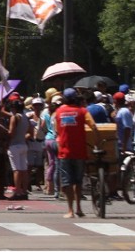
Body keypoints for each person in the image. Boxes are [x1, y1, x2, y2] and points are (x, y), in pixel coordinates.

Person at [53, 88, 96, 219]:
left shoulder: (58, 112)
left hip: (65, 152)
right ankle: (79, 209)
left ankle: (70, 210)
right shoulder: (83, 111)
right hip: (80, 151)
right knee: (78, 182)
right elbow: (93, 126)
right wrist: (96, 142)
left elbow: (56, 131)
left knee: (67, 182)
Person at [6, 96, 31, 200]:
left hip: (14, 145)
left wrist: (4, 130)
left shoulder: (14, 117)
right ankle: (24, 191)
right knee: (24, 170)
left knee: (16, 170)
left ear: (14, 108)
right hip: (23, 144)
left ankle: (17, 191)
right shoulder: (25, 117)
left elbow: (11, 132)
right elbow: (30, 131)